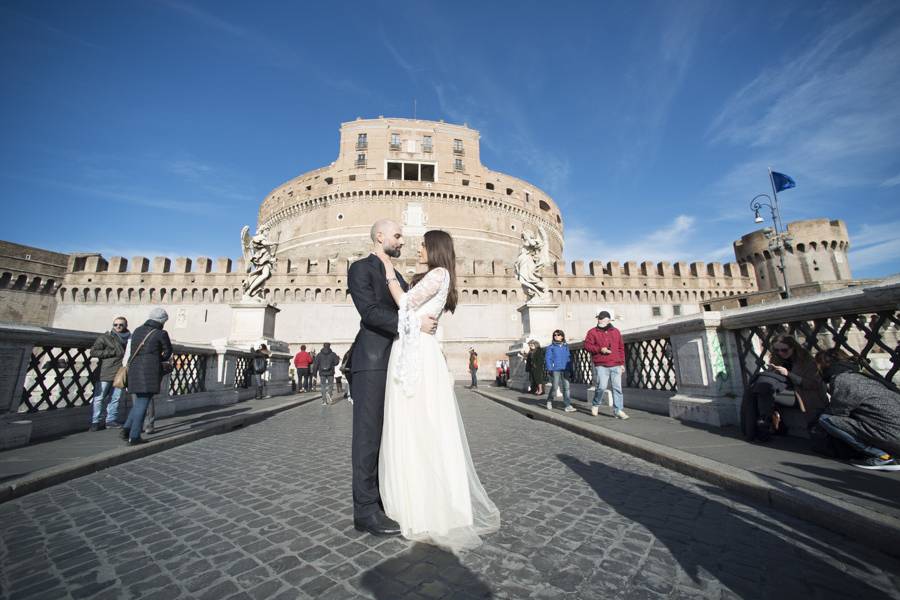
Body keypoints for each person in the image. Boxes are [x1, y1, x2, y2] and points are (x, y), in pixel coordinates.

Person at [377, 229, 500, 551]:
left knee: (420, 423)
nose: (417, 248)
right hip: (414, 350)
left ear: (435, 248)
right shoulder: (434, 276)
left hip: (416, 355)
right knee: (415, 424)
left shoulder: (439, 273)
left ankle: (424, 504)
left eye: (421, 245)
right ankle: (418, 500)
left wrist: (389, 272)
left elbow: (405, 304)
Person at [347, 219, 438, 537]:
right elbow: (370, 313)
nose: (402, 241)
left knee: (389, 435)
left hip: (396, 361)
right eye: (397, 236)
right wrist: (414, 324)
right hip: (371, 361)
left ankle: (385, 501)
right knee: (368, 436)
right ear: (380, 236)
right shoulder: (360, 269)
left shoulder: (395, 275)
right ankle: (366, 511)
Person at [816, 348, 900, 471]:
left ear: (823, 365)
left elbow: (837, 413)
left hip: (894, 436)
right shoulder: (861, 376)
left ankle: (882, 456)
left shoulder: (842, 380)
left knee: (826, 419)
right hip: (894, 429)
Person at [740, 335, 827, 442]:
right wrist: (772, 372)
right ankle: (763, 423)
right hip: (782, 393)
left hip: (803, 396)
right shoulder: (777, 359)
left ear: (793, 347)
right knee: (760, 390)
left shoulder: (806, 361)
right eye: (777, 350)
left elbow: (812, 384)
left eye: (784, 350)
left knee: (764, 392)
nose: (780, 353)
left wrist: (788, 374)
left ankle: (762, 425)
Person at [119, 308, 172, 446]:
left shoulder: (137, 330)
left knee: (139, 402)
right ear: (162, 321)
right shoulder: (161, 333)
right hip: (150, 371)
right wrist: (157, 357)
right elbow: (167, 353)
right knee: (143, 403)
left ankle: (126, 429)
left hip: (134, 369)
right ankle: (134, 436)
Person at [584, 310, 628, 419]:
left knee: (617, 388)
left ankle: (618, 410)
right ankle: (595, 404)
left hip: (616, 364)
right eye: (599, 318)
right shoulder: (592, 332)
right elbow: (587, 346)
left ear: (608, 320)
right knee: (601, 387)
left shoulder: (616, 331)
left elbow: (621, 348)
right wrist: (600, 349)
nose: (601, 320)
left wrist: (622, 363)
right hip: (601, 364)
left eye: (603, 318)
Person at [89, 316, 131, 430]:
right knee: (99, 397)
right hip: (105, 371)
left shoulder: (130, 340)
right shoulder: (105, 337)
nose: (118, 327)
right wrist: (113, 351)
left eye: (121, 325)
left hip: (120, 372)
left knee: (115, 398)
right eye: (115, 325)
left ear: (126, 326)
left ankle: (111, 420)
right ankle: (95, 421)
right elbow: (93, 352)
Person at [545, 330, 575, 412]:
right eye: (554, 335)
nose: (556, 336)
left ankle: (568, 405)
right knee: (554, 387)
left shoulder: (566, 346)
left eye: (558, 335)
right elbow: (548, 359)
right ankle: (549, 400)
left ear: (562, 336)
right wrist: (550, 369)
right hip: (555, 369)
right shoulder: (550, 347)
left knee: (566, 387)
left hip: (565, 369)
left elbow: (569, 358)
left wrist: (571, 369)